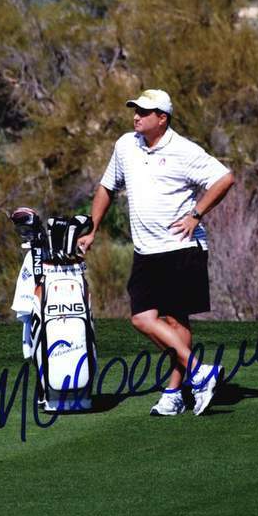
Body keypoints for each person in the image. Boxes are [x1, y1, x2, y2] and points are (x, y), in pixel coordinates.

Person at [77, 89, 235, 416]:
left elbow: (224, 178)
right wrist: (92, 228)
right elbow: (107, 187)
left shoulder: (183, 150)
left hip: (180, 248)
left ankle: (174, 394)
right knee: (142, 318)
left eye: (144, 112)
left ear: (161, 119)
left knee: (176, 321)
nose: (136, 116)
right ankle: (200, 372)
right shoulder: (125, 146)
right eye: (135, 110)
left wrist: (196, 214)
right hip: (145, 250)